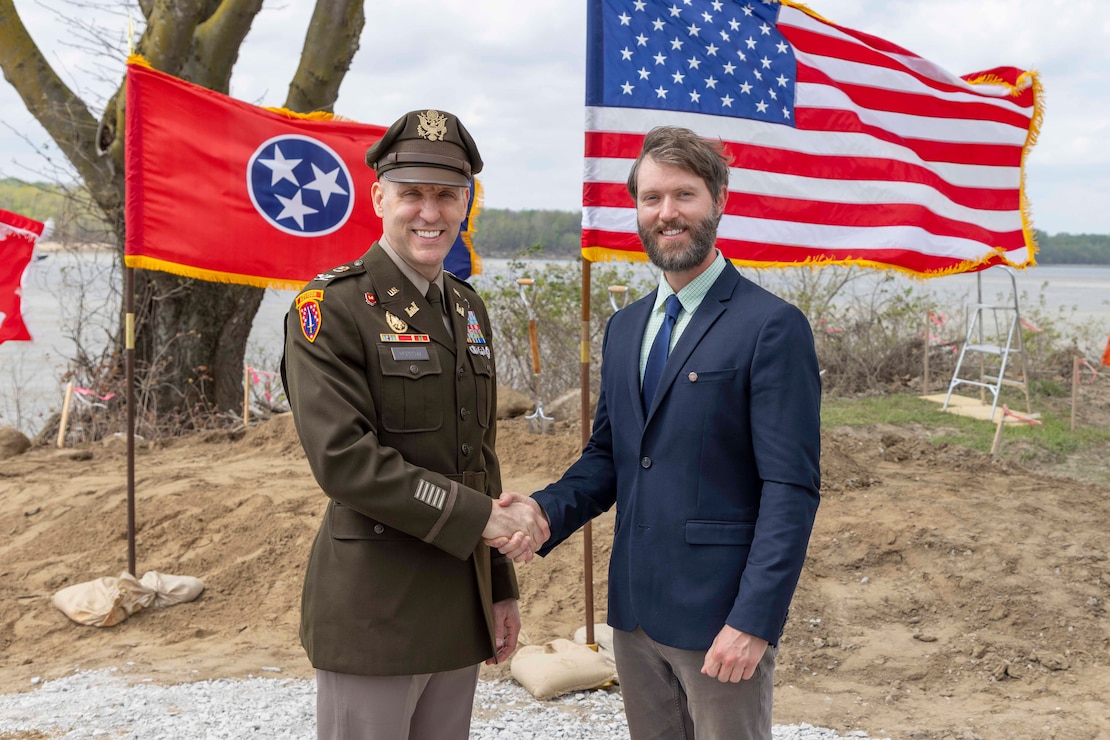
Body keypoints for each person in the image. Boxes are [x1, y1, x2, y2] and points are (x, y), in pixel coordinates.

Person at [493, 125, 822, 739]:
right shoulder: (624, 328)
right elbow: (608, 457)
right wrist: (542, 511)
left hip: (720, 621)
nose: (667, 212)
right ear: (637, 210)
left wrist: (754, 620)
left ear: (718, 200)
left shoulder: (771, 327)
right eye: (651, 198)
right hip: (634, 617)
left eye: (684, 195)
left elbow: (790, 489)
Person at [281, 108, 548, 740]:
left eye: (447, 196)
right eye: (412, 195)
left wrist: (500, 586)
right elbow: (345, 460)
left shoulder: (466, 307)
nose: (430, 213)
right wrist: (484, 520)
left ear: (466, 203)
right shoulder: (331, 308)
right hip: (377, 608)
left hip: (457, 604)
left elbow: (478, 458)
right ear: (378, 197)